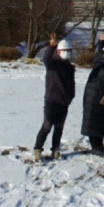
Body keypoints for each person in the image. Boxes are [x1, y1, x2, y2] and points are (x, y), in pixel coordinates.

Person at [33, 33, 76, 161]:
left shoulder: (70, 67)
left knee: (59, 128)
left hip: (64, 102)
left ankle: (55, 149)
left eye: (69, 51)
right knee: (47, 126)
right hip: (52, 100)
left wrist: (71, 96)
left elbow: (72, 84)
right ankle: (38, 149)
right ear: (58, 52)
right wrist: (51, 46)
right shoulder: (53, 64)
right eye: (64, 51)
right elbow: (46, 59)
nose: (67, 53)